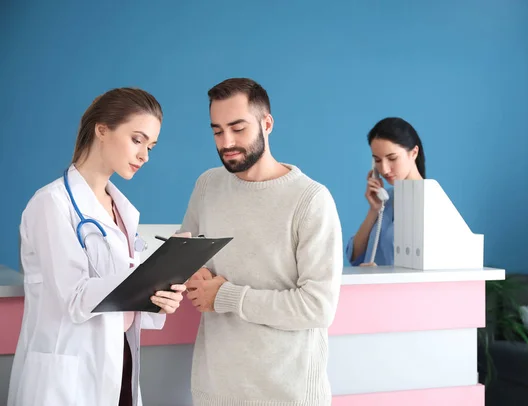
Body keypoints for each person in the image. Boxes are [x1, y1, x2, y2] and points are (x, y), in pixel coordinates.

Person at [7, 88, 187, 406]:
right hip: (68, 375)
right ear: (102, 129)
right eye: (137, 139)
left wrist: (159, 297)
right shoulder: (51, 204)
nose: (145, 155)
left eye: (151, 145)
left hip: (119, 362)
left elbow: (122, 303)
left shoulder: (122, 209)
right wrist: (144, 275)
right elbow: (74, 299)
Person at [179, 78, 343, 406]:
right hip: (215, 391)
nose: (226, 142)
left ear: (266, 124)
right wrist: (190, 272)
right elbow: (184, 253)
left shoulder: (310, 199)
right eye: (217, 130)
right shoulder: (208, 186)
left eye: (238, 128)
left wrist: (224, 296)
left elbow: (318, 307)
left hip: (288, 395)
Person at [346, 117, 426, 267]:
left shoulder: (430, 201)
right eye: (377, 160)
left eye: (392, 158)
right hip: (372, 289)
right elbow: (354, 256)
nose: (384, 169)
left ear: (414, 153)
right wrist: (374, 210)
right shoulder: (386, 199)